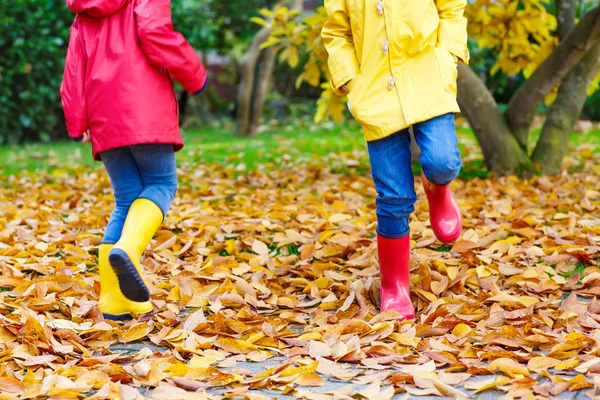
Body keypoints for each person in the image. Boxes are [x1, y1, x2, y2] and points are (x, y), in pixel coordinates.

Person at [60, 0, 208, 320]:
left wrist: (77, 121)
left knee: (126, 199)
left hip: (104, 118)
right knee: (161, 184)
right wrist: (195, 74)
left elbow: (74, 69)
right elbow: (155, 34)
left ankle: (114, 302)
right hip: (145, 110)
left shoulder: (83, 12)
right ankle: (128, 248)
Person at [322, 0, 468, 320]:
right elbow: (336, 32)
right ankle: (395, 285)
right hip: (375, 90)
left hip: (428, 76)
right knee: (394, 196)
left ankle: (438, 188)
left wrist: (448, 54)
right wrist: (350, 79)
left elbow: (452, 8)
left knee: (442, 161)